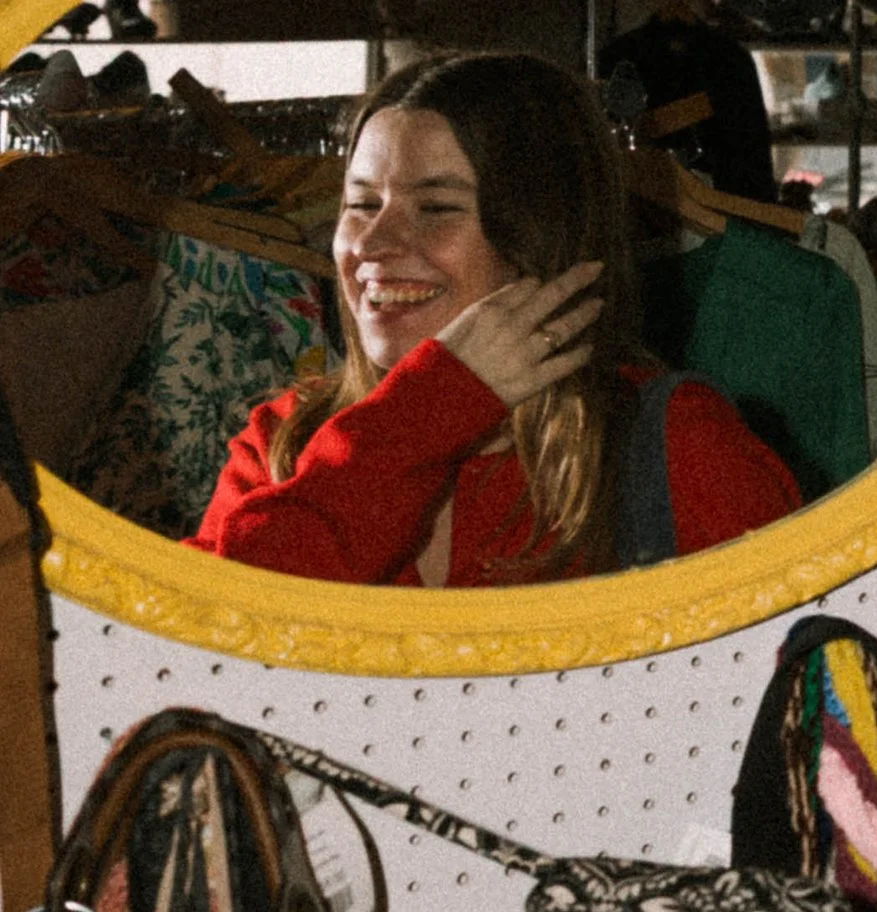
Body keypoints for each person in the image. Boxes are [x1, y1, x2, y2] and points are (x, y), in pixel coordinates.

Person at [188, 52, 798, 587]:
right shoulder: (280, 444)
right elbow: (216, 640)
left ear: (539, 236)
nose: (372, 244)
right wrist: (429, 409)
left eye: (435, 208)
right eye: (361, 204)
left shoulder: (674, 446)